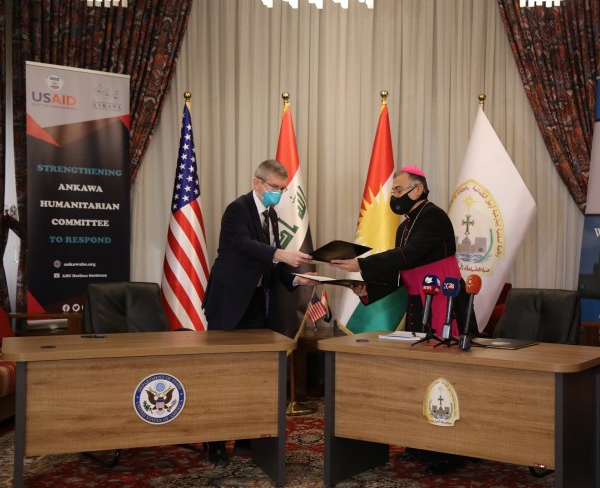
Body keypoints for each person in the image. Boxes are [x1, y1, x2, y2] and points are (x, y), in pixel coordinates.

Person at [331, 165, 471, 475]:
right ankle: (420, 443)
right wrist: (366, 287)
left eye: (398, 190)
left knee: (445, 374)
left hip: (443, 305)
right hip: (419, 303)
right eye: (393, 191)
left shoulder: (434, 217)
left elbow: (408, 256)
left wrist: (362, 263)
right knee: (417, 374)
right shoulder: (405, 224)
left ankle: (450, 451)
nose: (394, 197)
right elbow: (401, 273)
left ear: (418, 190)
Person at [202, 158, 315, 464]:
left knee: (252, 372)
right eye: (274, 188)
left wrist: (298, 279)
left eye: (282, 189)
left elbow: (271, 264)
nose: (278, 194)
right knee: (221, 374)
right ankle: (213, 441)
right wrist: (280, 253)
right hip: (228, 304)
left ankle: (245, 438)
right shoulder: (237, 209)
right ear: (258, 183)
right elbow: (242, 244)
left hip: (254, 305)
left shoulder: (272, 216)